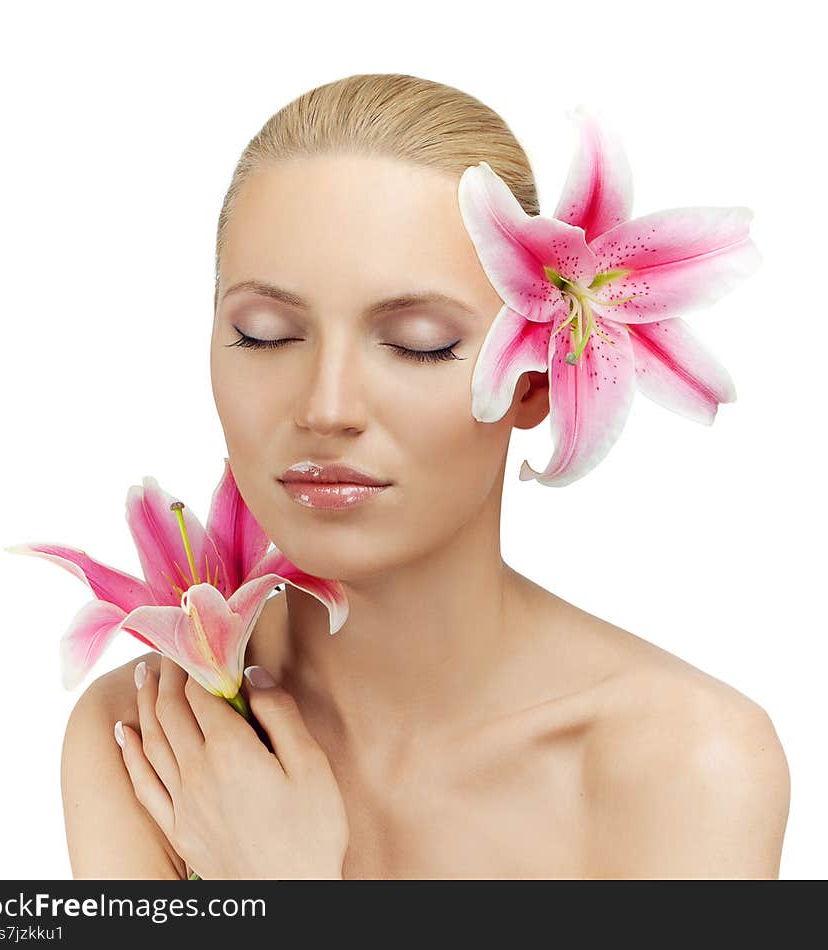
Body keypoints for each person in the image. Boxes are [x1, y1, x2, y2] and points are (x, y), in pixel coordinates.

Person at [61, 73, 790, 880]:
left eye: (417, 343)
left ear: (538, 382)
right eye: (265, 335)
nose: (327, 408)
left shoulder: (685, 763)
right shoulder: (154, 734)